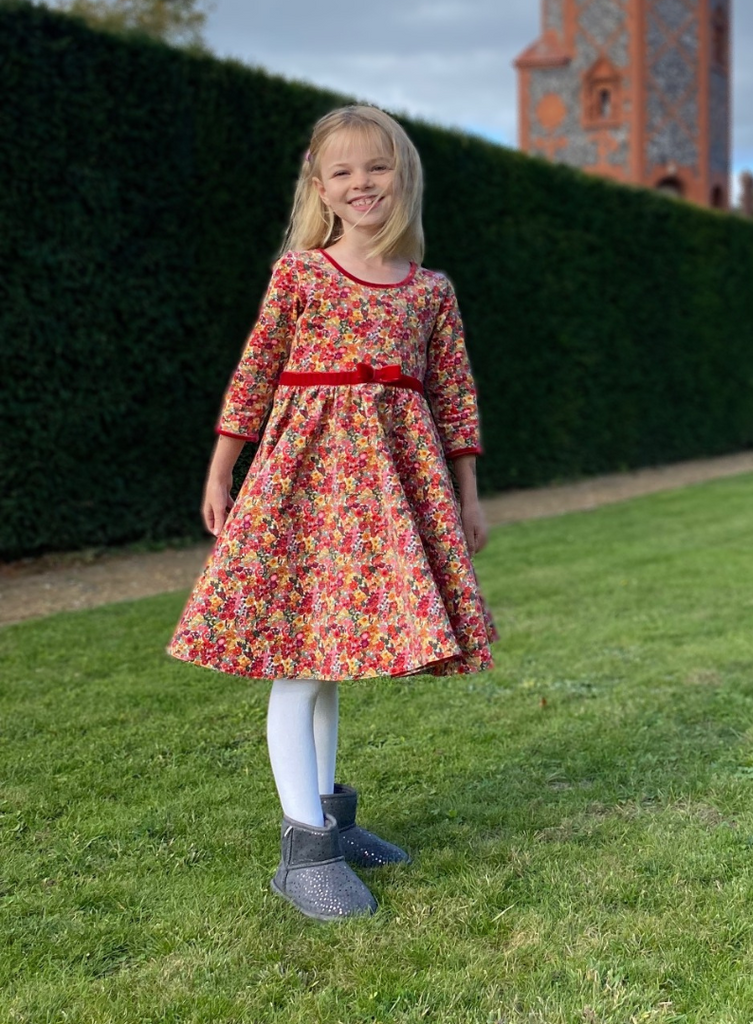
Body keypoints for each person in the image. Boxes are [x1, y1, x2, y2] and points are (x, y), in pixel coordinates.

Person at [167, 105, 496, 921]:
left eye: (375, 168)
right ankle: (302, 850)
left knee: (333, 660)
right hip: (304, 486)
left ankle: (329, 820)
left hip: (387, 491)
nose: (361, 184)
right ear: (320, 187)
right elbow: (254, 373)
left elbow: (454, 395)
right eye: (342, 172)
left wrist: (468, 492)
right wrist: (222, 471)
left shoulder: (430, 292)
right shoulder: (300, 274)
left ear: (403, 177)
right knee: (300, 660)